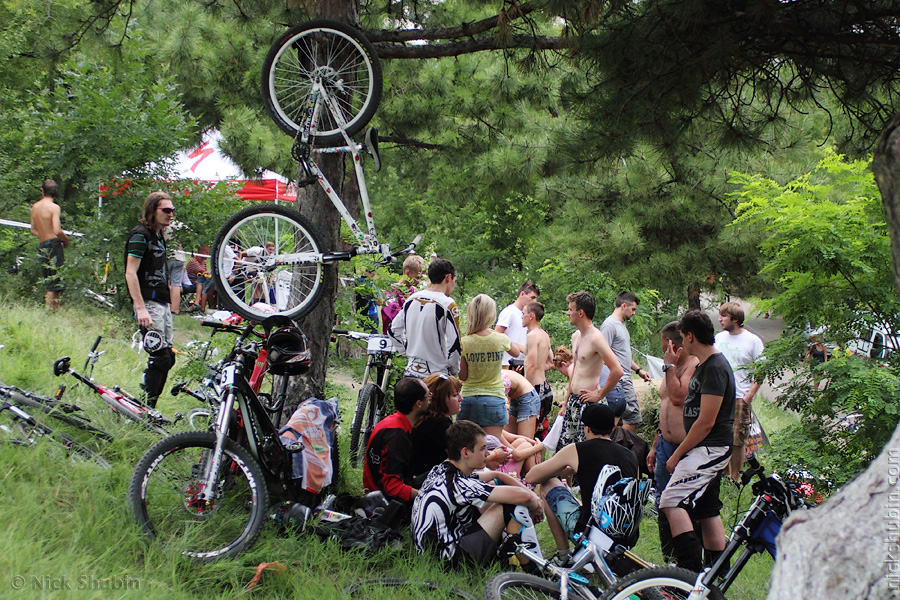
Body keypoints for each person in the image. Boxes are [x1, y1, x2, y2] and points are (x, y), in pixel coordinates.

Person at [659, 310, 735, 573]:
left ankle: (687, 574)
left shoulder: (714, 368)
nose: (681, 342)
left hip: (710, 447)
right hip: (705, 447)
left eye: (682, 337)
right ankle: (716, 574)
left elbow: (706, 421)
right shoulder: (705, 365)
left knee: (671, 500)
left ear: (690, 336)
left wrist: (677, 454)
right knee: (706, 509)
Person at [411, 420, 544, 568]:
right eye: (482, 449)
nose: (487, 454)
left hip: (429, 554)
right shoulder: (461, 485)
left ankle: (506, 558)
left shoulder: (441, 470)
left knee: (494, 488)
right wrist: (535, 503)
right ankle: (536, 570)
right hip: (447, 562)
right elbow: (523, 497)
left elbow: (495, 475)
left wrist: (530, 495)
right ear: (465, 452)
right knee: (510, 507)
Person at [526, 403, 640, 562]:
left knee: (548, 483)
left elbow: (532, 477)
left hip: (590, 536)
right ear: (613, 428)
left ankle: (564, 555)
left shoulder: (578, 449)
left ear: (587, 428)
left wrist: (565, 468)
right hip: (625, 539)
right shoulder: (630, 455)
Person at [647, 321, 699, 561]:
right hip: (665, 445)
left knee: (682, 504)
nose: (661, 352)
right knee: (661, 501)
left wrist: (668, 365)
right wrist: (656, 444)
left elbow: (678, 398)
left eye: (663, 347)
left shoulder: (692, 365)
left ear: (672, 345)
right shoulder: (672, 367)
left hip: (685, 448)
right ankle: (668, 558)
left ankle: (687, 559)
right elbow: (665, 406)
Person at [124, 191, 176, 408]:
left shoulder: (159, 236)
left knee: (168, 357)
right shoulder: (140, 235)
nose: (170, 214)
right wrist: (140, 307)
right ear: (152, 210)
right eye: (165, 210)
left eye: (172, 210)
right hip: (148, 303)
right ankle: (144, 408)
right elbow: (130, 272)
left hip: (162, 304)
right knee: (160, 357)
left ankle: (148, 407)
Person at [557, 291, 624, 451]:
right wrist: (566, 401)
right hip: (573, 401)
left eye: (570, 309)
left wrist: (599, 394)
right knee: (565, 451)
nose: (568, 312)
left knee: (585, 452)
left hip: (588, 403)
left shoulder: (596, 338)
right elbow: (576, 372)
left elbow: (617, 370)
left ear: (580, 313)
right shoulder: (575, 336)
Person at [714, 302, 765, 481]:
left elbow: (762, 369)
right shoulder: (718, 338)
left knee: (738, 439)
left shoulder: (753, 341)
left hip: (739, 397)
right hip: (719, 396)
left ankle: (735, 477)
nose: (720, 319)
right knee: (720, 437)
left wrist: (749, 396)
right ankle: (723, 474)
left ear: (735, 319)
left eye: (724, 316)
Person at [363, 377, 433, 505]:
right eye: (428, 396)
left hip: (379, 490)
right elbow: (393, 488)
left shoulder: (392, 422)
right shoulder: (397, 436)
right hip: (384, 503)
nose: (430, 400)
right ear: (419, 403)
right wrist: (429, 498)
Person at [459, 294, 519, 439]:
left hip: (468, 398)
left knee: (467, 448)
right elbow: (516, 353)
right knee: (493, 448)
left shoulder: (465, 342)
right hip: (494, 398)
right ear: (492, 315)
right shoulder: (500, 339)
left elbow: (462, 376)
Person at [389, 258, 461, 378]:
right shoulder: (448, 304)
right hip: (436, 375)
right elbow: (455, 344)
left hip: (411, 372)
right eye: (454, 280)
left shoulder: (411, 299)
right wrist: (454, 370)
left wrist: (406, 351)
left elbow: (393, 331)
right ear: (448, 277)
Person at [600, 291, 653, 432]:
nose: (634, 313)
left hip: (625, 377)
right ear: (624, 305)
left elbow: (623, 354)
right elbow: (602, 355)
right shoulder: (609, 325)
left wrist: (638, 370)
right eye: (633, 309)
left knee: (621, 418)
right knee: (633, 416)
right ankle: (621, 450)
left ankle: (616, 448)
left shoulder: (621, 325)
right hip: (619, 380)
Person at [411, 372, 463, 477]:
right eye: (455, 395)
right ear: (440, 400)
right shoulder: (439, 424)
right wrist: (494, 455)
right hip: (420, 481)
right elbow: (463, 460)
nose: (460, 398)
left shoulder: (427, 418)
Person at [30, 179, 69, 312]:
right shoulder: (54, 208)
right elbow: (57, 230)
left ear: (42, 191)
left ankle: (52, 311)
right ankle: (51, 312)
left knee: (49, 279)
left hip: (42, 245)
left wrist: (43, 235)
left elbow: (33, 230)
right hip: (54, 244)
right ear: (55, 192)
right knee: (55, 281)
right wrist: (66, 240)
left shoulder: (35, 206)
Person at [523, 301, 555, 440]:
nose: (521, 317)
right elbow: (551, 362)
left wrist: (524, 387)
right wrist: (539, 368)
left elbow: (532, 365)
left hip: (535, 388)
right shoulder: (544, 335)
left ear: (531, 316)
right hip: (545, 387)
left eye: (523, 314)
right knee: (540, 433)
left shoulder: (532, 336)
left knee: (529, 435)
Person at [495, 281, 539, 374]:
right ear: (522, 294)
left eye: (536, 298)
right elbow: (497, 335)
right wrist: (519, 347)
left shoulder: (526, 315)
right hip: (507, 364)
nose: (534, 301)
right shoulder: (509, 312)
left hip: (521, 364)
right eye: (532, 297)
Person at [382, 254, 424, 335]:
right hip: (392, 340)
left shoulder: (415, 292)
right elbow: (394, 316)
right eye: (418, 277)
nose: (420, 281)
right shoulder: (391, 292)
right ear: (407, 273)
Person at [502, 369, 540, 439]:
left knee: (524, 441)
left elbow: (502, 414)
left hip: (528, 397)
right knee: (510, 441)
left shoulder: (496, 381)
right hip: (514, 398)